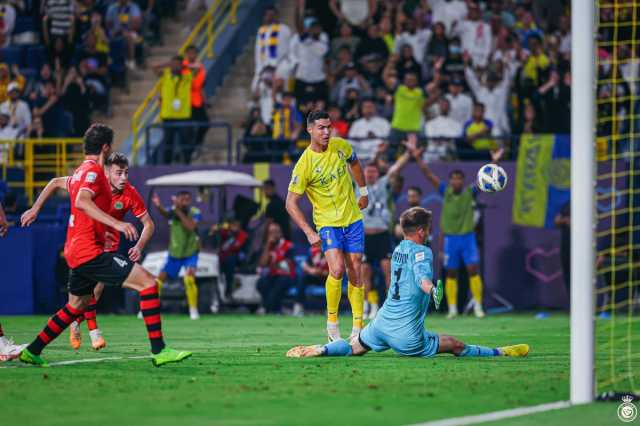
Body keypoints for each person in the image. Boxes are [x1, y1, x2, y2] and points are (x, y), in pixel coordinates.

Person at [18, 124, 191, 367]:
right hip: (89, 251)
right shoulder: (94, 172)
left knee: (76, 305)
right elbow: (82, 201)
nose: (123, 177)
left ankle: (33, 350)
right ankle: (159, 350)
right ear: (106, 148)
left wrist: (36, 209)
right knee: (149, 283)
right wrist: (118, 225)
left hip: (76, 250)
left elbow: (60, 183)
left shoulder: (80, 171)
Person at [287, 207, 529, 359]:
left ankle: (320, 349)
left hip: (381, 323)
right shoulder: (423, 252)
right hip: (406, 336)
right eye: (429, 228)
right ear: (422, 232)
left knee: (353, 348)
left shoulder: (399, 249)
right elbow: (423, 280)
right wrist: (433, 290)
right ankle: (501, 352)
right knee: (456, 345)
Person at [22, 152, 155, 351]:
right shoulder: (91, 183)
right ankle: (82, 328)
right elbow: (55, 182)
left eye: (126, 173)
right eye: (119, 173)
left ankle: (81, 330)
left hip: (107, 246)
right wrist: (35, 208)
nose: (124, 178)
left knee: (95, 292)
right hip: (84, 244)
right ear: (107, 172)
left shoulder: (129, 193)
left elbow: (149, 224)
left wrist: (139, 246)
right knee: (77, 302)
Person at [286, 110, 368, 342]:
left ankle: (358, 329)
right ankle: (332, 325)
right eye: (321, 128)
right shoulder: (304, 165)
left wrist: (363, 191)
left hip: (352, 218)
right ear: (309, 130)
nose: (326, 132)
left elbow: (355, 163)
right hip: (328, 223)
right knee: (337, 269)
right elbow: (290, 203)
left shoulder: (340, 146)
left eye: (328, 127)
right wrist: (309, 231)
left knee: (356, 269)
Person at [412, 149, 502, 319]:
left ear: (463, 181)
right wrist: (417, 158)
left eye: (459, 179)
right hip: (450, 239)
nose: (456, 182)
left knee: (473, 271)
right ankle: (452, 308)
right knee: (451, 273)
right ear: (450, 181)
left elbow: (486, 178)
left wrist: (495, 162)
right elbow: (428, 174)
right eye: (453, 179)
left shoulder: (470, 192)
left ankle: (478, 307)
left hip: (467, 237)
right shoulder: (445, 190)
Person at [361, 137, 416, 320]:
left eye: (372, 172)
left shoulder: (384, 184)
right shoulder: (357, 186)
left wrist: (409, 153)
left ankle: (391, 307)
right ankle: (368, 307)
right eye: (367, 172)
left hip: (382, 235)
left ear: (377, 174)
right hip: (364, 236)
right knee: (365, 275)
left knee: (388, 273)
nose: (370, 175)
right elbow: (345, 166)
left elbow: (396, 169)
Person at [152, 190, 201, 320]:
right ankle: (149, 308)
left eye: (187, 199)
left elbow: (190, 227)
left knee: (189, 279)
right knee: (158, 280)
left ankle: (193, 310)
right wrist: (158, 206)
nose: (186, 202)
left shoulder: (194, 212)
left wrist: (177, 210)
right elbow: (165, 213)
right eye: (183, 199)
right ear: (177, 199)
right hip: (174, 253)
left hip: (190, 252)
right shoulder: (172, 211)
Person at [153, 55, 193, 164]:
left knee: (185, 142)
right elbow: (154, 67)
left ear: (181, 65)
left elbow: (198, 67)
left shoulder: (187, 76)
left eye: (176, 64)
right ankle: (167, 165)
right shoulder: (166, 75)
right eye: (172, 64)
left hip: (183, 116)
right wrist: (167, 64)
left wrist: (183, 65)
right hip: (168, 116)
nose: (174, 66)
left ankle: (187, 164)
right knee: (168, 143)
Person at [256, 222, 295, 314]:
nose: (273, 235)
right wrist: (267, 246)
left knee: (279, 283)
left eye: (275, 232)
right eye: (271, 233)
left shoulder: (288, 246)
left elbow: (287, 266)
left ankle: (267, 308)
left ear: (280, 233)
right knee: (261, 283)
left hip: (287, 276)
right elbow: (262, 263)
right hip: (273, 275)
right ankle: (276, 308)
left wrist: (275, 263)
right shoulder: (268, 246)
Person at [210, 217, 247, 301]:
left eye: (237, 226)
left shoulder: (242, 234)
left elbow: (236, 247)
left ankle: (228, 293)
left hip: (236, 258)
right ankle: (216, 294)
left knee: (230, 261)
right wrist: (220, 227)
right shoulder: (225, 231)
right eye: (233, 225)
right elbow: (214, 230)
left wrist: (232, 235)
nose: (235, 227)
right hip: (222, 257)